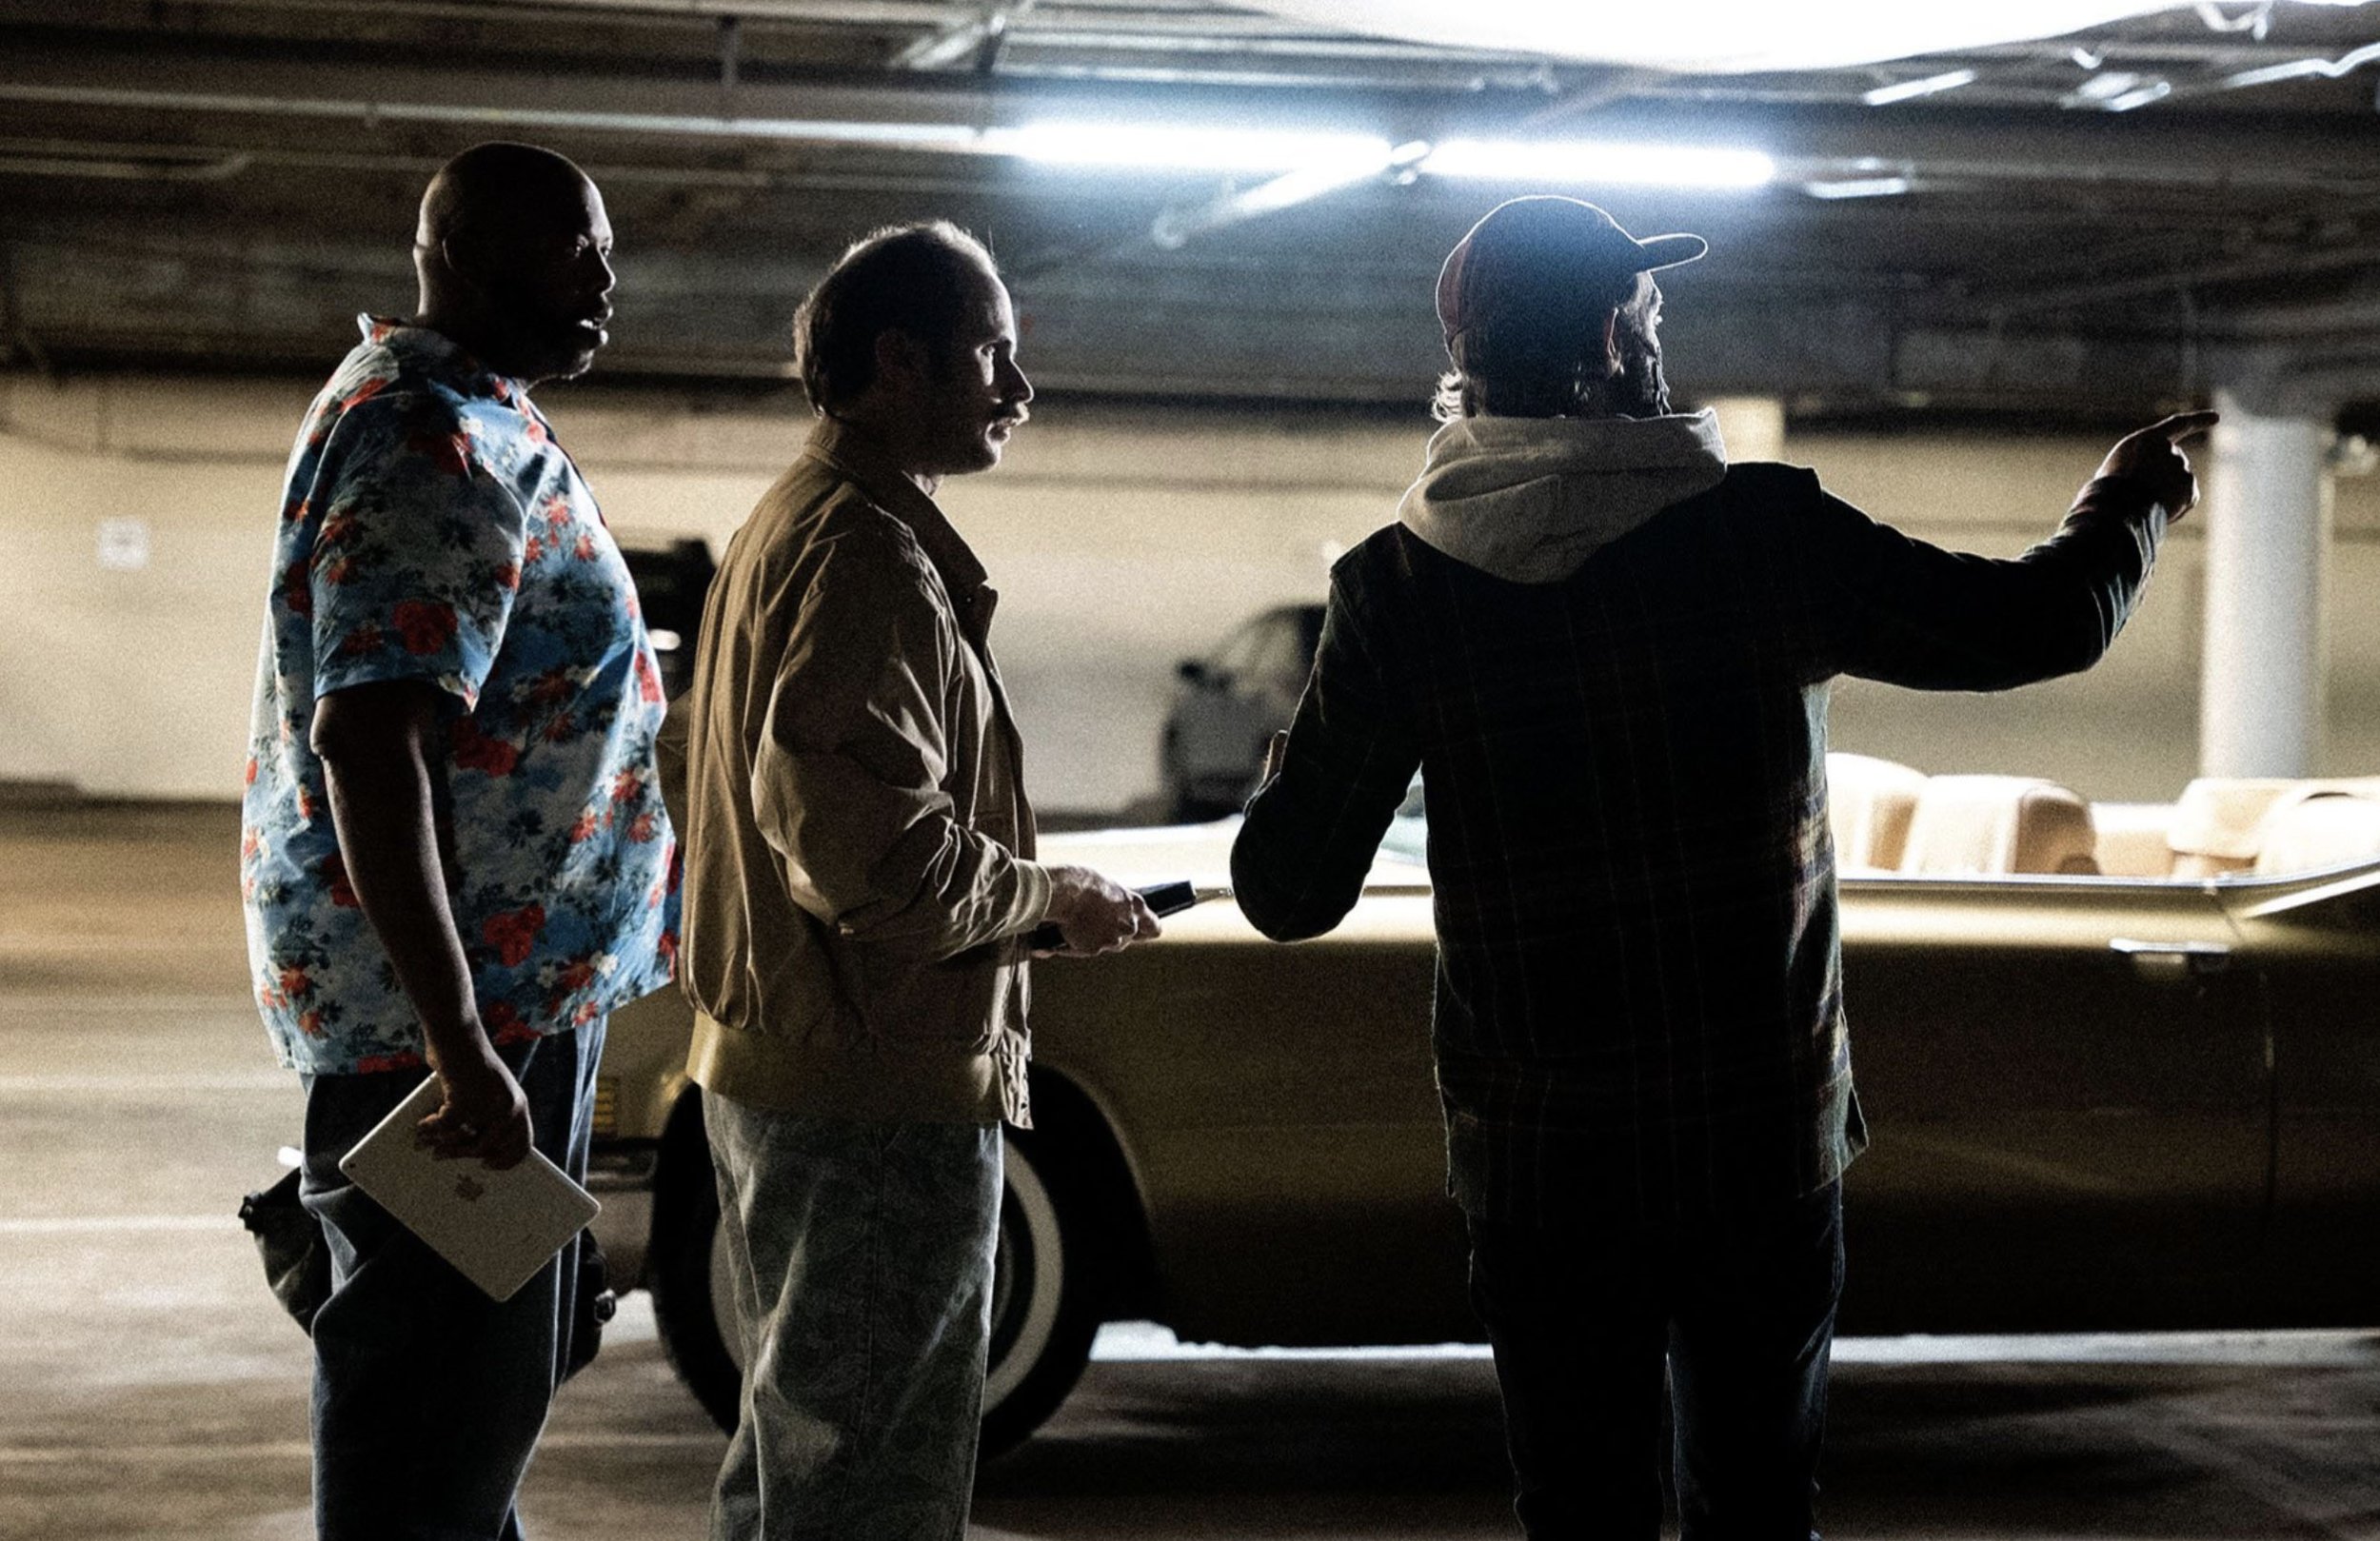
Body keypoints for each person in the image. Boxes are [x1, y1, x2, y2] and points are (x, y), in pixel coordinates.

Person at [1230, 194, 2211, 1540]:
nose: (1658, 321)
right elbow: (2037, 624)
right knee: (1758, 1506)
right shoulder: (1761, 538)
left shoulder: (1398, 589)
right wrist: (2128, 499)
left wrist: (1338, 710)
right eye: (1643, 304)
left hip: (1543, 1167)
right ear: (1613, 344)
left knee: (1581, 1513)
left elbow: (1287, 893)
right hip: (1755, 1140)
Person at [672, 221, 1157, 1541]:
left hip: (792, 1065)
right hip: (869, 1097)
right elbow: (870, 855)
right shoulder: (869, 559)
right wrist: (1047, 897)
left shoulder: (793, 522)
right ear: (900, 360)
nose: (1019, 386)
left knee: (798, 1452)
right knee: (867, 1477)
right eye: (994, 351)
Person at [239, 141, 678, 1539]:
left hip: (497, 1006)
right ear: (471, 258)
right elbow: (374, 748)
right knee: (432, 1416)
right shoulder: (432, 435)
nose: (607, 278)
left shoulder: (469, 413)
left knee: (484, 1387)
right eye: (578, 250)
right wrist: (457, 1046)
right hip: (452, 1031)